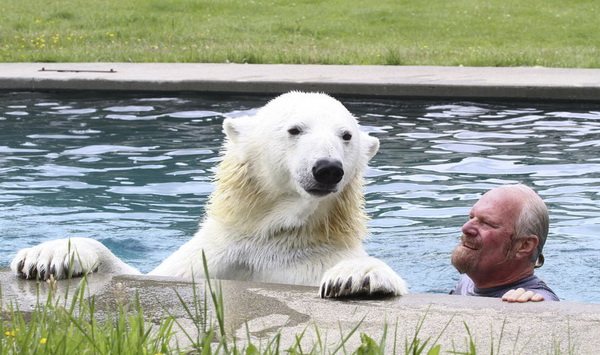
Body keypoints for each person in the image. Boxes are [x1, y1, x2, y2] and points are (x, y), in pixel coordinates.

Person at [450, 184, 559, 302]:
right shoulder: (468, 281)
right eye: (471, 218)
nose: (465, 228)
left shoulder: (533, 300)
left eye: (487, 223)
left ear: (524, 245)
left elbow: (550, 309)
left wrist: (531, 309)